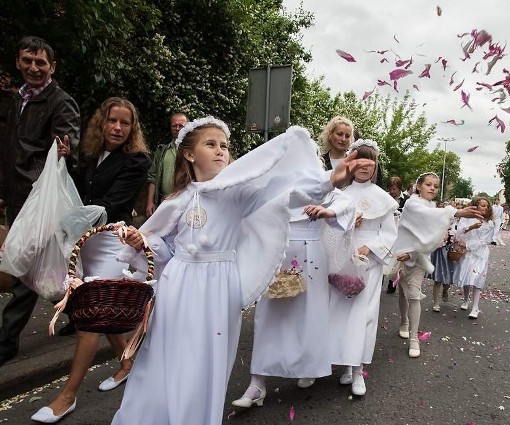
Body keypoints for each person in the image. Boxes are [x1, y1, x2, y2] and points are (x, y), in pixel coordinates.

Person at [111, 119, 373, 425]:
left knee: (205, 362)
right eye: (211, 144)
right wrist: (141, 241)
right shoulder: (176, 199)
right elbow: (163, 249)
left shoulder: (237, 194)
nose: (221, 151)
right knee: (165, 355)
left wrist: (331, 179)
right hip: (178, 286)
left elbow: (290, 192)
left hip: (219, 287)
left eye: (224, 145)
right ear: (189, 154)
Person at [30, 97, 151, 423]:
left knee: (89, 316)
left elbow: (111, 204)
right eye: (112, 120)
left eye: (125, 123)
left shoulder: (137, 160)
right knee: (101, 310)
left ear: (132, 128)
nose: (117, 128)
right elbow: (80, 188)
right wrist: (67, 160)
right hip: (85, 242)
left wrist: (67, 220)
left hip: (113, 241)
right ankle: (127, 363)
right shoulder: (91, 154)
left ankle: (67, 396)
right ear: (103, 122)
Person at [231, 189, 355, 408]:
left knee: (311, 315)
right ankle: (257, 382)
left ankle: (309, 367)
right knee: (268, 316)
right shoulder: (276, 179)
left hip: (311, 252)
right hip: (277, 252)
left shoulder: (319, 180)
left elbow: (346, 201)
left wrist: (329, 211)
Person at [0, 36, 80, 367]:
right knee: (50, 265)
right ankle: (80, 312)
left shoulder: (60, 101)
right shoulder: (15, 100)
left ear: (52, 67)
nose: (34, 67)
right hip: (18, 195)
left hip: (40, 198)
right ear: (18, 62)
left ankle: (6, 341)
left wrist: (67, 146)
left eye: (41, 63)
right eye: (27, 61)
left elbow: (68, 136)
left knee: (26, 266)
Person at [327, 139, 397, 396]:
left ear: (376, 166)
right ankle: (343, 364)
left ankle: (357, 371)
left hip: (368, 263)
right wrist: (347, 228)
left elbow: (389, 234)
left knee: (363, 316)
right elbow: (327, 228)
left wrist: (369, 248)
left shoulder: (384, 200)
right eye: (360, 160)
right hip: (342, 259)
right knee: (338, 314)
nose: (365, 166)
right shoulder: (339, 196)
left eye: (370, 161)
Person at [393, 172, 482, 356]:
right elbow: (428, 215)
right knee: (403, 291)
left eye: (435, 185)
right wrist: (455, 212)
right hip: (402, 253)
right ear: (419, 186)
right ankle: (404, 321)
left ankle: (414, 338)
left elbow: (434, 231)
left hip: (419, 256)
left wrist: (453, 216)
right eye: (428, 184)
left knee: (414, 295)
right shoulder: (412, 203)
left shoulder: (433, 206)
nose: (433, 188)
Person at [453, 197, 494, 319]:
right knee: (467, 277)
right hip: (467, 253)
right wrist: (472, 227)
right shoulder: (466, 218)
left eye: (487, 206)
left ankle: (475, 307)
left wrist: (469, 245)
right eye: (482, 205)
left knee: (477, 278)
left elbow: (486, 240)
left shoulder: (489, 223)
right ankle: (466, 300)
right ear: (475, 206)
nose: (485, 208)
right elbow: (459, 233)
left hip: (480, 253)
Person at [145, 112, 189, 217]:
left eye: (181, 126)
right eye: (174, 125)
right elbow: (153, 177)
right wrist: (150, 202)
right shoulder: (162, 151)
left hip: (186, 203)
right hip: (163, 202)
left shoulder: (193, 151)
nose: (177, 128)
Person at [319, 116, 384, 187]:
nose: (343, 139)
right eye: (339, 134)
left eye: (347, 136)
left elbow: (376, 187)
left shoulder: (359, 160)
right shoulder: (320, 161)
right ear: (330, 135)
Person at [385, 176, 408, 294]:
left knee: (396, 258)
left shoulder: (407, 200)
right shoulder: (385, 197)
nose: (392, 191)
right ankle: (380, 280)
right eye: (390, 189)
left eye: (394, 189)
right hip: (387, 231)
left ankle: (392, 282)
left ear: (399, 188)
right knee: (384, 255)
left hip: (400, 232)